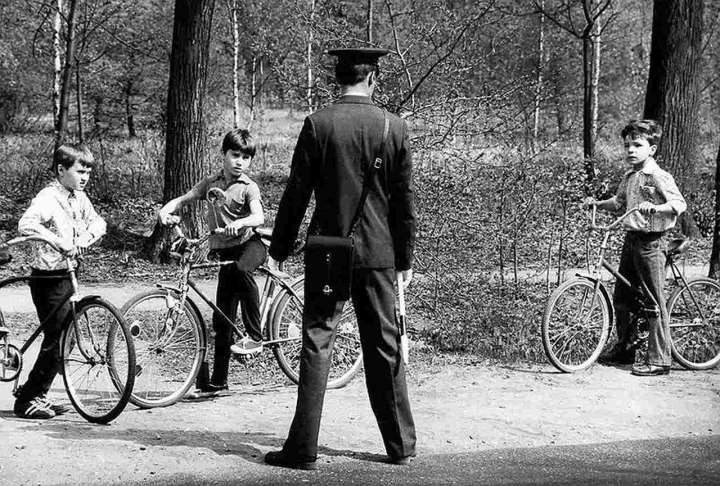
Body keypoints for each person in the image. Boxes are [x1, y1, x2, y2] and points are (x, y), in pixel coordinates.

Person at [264, 47, 417, 470]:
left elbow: (296, 194)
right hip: (379, 253)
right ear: (373, 79)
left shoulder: (319, 124)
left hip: (328, 251)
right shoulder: (394, 127)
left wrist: (279, 249)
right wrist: (404, 259)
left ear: (339, 79)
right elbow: (404, 203)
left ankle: (302, 450)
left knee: (317, 340)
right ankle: (401, 447)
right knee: (384, 344)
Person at [158, 128, 266, 393]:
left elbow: (259, 217)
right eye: (235, 155)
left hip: (250, 246)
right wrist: (166, 209)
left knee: (242, 270)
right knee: (222, 318)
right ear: (224, 154)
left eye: (246, 157)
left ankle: (255, 336)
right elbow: (186, 198)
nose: (240, 162)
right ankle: (218, 381)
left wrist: (242, 223)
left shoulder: (249, 187)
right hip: (225, 254)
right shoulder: (211, 182)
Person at [585, 119, 686, 377]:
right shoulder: (630, 176)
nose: (631, 150)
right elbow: (618, 202)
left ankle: (660, 360)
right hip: (631, 240)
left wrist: (656, 208)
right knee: (623, 297)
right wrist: (597, 203)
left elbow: (679, 204)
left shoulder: (658, 176)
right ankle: (625, 349)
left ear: (651, 149)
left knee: (654, 300)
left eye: (637, 145)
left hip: (652, 242)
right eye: (627, 145)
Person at [13, 143, 107, 419]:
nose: (85, 177)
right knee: (58, 337)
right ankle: (27, 400)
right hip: (47, 278)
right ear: (61, 170)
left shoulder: (80, 198)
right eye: (80, 171)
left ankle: (38, 393)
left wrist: (84, 239)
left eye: (88, 172)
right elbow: (26, 224)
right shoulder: (48, 197)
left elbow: (99, 223)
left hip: (68, 274)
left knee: (67, 337)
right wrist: (57, 241)